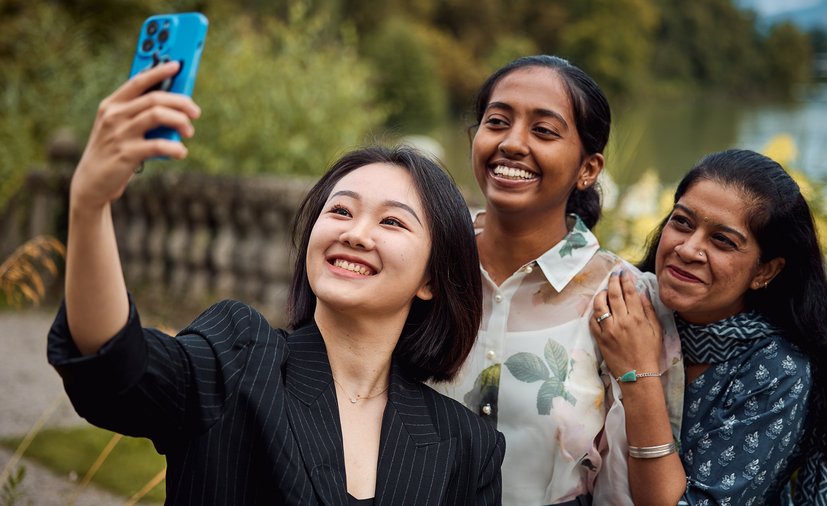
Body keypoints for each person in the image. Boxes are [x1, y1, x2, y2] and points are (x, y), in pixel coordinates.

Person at [47, 61, 504, 505]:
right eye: (340, 210)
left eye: (391, 222)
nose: (355, 233)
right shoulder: (240, 357)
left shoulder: (467, 446)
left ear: (430, 278)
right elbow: (114, 366)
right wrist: (89, 204)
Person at [433, 54, 684, 505]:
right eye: (497, 122)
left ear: (588, 169)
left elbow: (639, 491)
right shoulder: (425, 264)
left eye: (543, 131)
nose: (512, 143)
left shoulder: (623, 299)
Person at [591, 149, 827, 504]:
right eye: (682, 223)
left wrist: (639, 372)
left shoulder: (775, 371)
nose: (689, 249)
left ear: (765, 271)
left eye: (722, 240)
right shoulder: (624, 307)